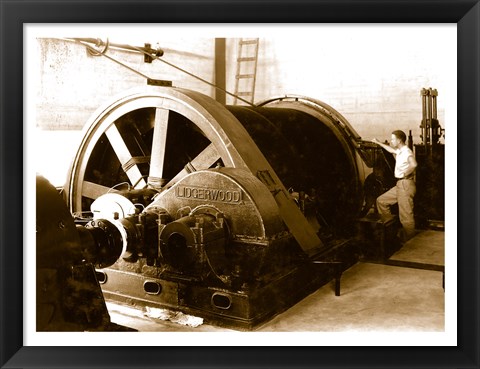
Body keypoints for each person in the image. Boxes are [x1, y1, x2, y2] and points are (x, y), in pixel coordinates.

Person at [371, 130, 418, 242]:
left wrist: (405, 173)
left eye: (393, 139)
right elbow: (391, 150)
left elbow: (414, 164)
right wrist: (378, 143)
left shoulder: (406, 152)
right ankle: (391, 230)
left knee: (406, 216)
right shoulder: (400, 151)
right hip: (400, 185)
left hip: (405, 184)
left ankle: (410, 244)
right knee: (381, 201)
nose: (391, 141)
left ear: (399, 140)